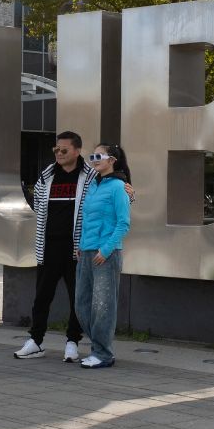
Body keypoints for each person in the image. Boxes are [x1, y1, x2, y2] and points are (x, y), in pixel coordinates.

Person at [14, 131, 92, 362]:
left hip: (77, 248)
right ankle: (36, 341)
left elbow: (107, 201)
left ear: (77, 151)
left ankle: (72, 342)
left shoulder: (90, 177)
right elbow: (38, 204)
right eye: (56, 150)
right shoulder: (47, 176)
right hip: (48, 246)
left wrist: (128, 191)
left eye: (64, 150)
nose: (59, 153)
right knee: (42, 297)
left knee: (76, 298)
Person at [75, 143, 132, 369]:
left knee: (103, 306)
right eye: (92, 156)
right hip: (86, 252)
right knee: (82, 304)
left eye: (99, 156)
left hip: (105, 254)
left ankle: (103, 354)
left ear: (112, 160)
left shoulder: (119, 187)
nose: (94, 159)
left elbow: (123, 223)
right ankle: (99, 348)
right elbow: (87, 219)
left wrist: (105, 250)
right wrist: (80, 246)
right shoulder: (93, 185)